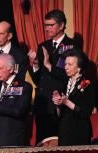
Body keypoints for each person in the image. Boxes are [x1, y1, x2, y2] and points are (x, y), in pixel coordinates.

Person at [28, 9, 77, 144]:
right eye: (46, 25)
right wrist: (36, 65)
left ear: (61, 26)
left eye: (51, 25)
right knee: (42, 144)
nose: (47, 28)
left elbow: (70, 75)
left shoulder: (71, 46)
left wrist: (49, 65)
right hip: (42, 103)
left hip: (59, 102)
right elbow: (38, 80)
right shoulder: (43, 46)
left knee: (58, 146)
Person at [52, 49, 95, 146]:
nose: (66, 67)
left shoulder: (88, 84)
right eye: (65, 64)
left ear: (79, 67)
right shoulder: (65, 82)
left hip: (79, 132)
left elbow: (85, 113)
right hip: (64, 131)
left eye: (70, 64)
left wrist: (66, 102)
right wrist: (58, 103)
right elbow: (60, 113)